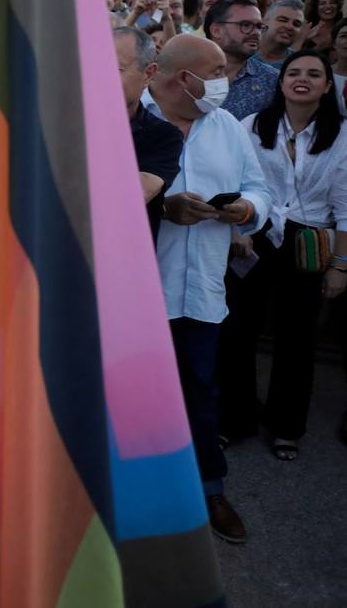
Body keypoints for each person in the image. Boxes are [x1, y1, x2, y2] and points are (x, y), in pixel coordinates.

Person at [143, 34, 269, 544]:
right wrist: (163, 207)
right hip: (141, 289)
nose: (226, 79)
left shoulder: (226, 128)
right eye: (216, 70)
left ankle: (209, 489)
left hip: (202, 290)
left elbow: (260, 190)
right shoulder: (133, 120)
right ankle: (139, 496)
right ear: (181, 77)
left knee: (199, 388)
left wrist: (246, 211)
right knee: (136, 393)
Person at [218, 49, 347, 462]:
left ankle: (286, 427)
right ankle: (233, 419)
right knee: (238, 331)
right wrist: (237, 231)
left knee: (297, 338)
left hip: (309, 242)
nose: (302, 79)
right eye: (293, 72)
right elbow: (233, 182)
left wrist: (341, 266)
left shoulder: (343, 135)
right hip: (255, 235)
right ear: (281, 81)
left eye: (314, 73)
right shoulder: (252, 125)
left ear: (329, 86)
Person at [113, 27, 183, 241]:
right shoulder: (63, 125)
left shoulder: (162, 136)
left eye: (115, 68)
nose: (99, 76)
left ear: (148, 74)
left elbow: (127, 198)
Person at [204, 0, 278, 121]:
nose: (255, 32)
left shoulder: (272, 80)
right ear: (216, 31)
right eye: (246, 25)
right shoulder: (188, 75)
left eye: (259, 26)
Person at [255, 0, 305, 70]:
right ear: (265, 21)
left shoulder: (299, 63)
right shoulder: (242, 52)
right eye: (283, 20)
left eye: (296, 24)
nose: (290, 26)